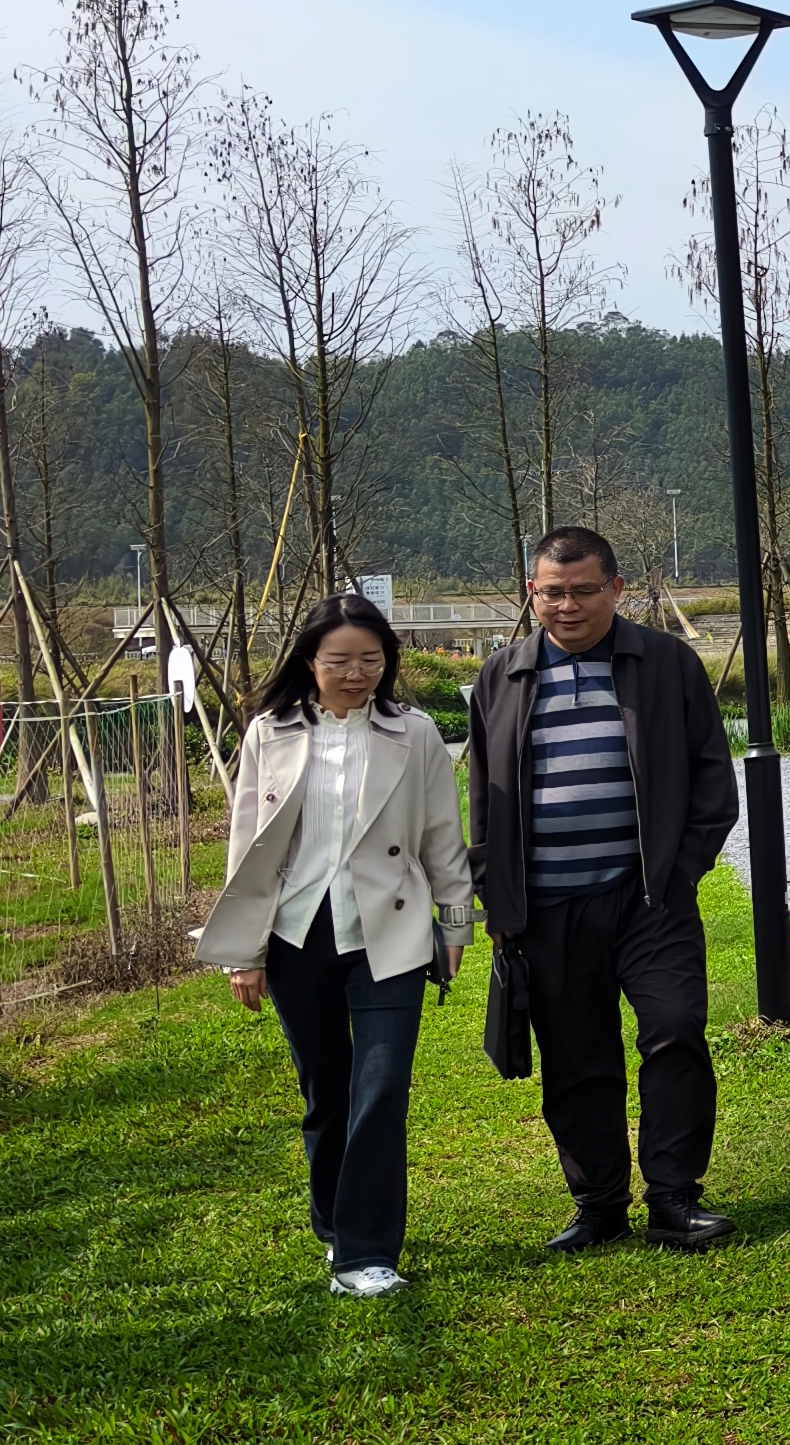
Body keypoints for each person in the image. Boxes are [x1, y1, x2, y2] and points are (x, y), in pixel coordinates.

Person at [469, 525, 741, 1253]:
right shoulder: (502, 675)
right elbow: (484, 801)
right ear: (532, 592)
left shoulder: (667, 663)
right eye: (551, 593)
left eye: (584, 591)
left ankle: (674, 1196)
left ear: (616, 589)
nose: (567, 606)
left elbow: (713, 781)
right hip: (547, 907)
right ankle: (599, 1205)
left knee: (675, 1031)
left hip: (650, 899)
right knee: (575, 1056)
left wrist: (679, 872)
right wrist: (497, 896)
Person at [200, 595, 473, 1298]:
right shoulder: (270, 733)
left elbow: (443, 836)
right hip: (297, 935)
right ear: (309, 661)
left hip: (392, 931)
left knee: (380, 1091)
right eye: (340, 661)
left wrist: (454, 924)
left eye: (371, 660)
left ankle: (364, 1253)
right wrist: (243, 953)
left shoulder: (415, 733)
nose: (357, 674)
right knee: (325, 1091)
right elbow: (247, 848)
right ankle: (333, 1224)